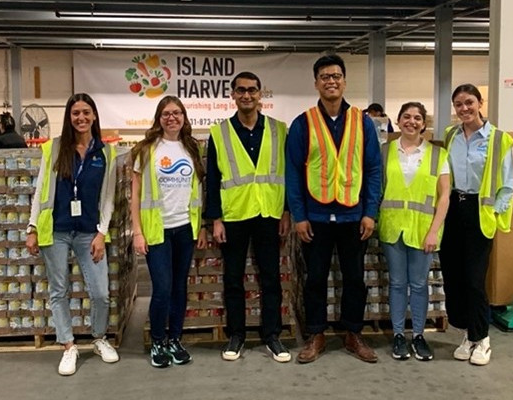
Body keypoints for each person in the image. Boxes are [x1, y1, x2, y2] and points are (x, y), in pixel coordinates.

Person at [286, 54, 382, 364]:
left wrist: (370, 212)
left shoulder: (362, 121)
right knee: (315, 278)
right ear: (316, 83)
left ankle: (353, 333)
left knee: (354, 278)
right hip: (315, 217)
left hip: (354, 216)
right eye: (325, 76)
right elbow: (293, 173)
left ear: (344, 81)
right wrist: (299, 216)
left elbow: (373, 170)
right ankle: (316, 334)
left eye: (336, 76)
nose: (331, 81)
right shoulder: (303, 123)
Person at [26, 93, 119, 376]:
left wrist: (102, 232)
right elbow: (41, 190)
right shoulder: (53, 149)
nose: (81, 118)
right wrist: (31, 227)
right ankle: (68, 346)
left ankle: (99, 338)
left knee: (101, 293)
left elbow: (108, 198)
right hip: (55, 230)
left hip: (89, 232)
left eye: (86, 112)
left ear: (94, 116)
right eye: (76, 113)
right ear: (69, 117)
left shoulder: (106, 152)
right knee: (59, 291)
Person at [205, 71, 291, 363]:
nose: (246, 95)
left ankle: (272, 336)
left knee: (270, 279)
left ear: (260, 94)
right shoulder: (219, 133)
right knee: (233, 278)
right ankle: (236, 335)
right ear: (233, 94)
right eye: (241, 90)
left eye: (252, 90)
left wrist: (287, 211)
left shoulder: (280, 130)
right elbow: (213, 179)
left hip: (269, 213)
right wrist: (215, 219)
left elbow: (287, 174)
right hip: (234, 215)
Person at [440, 84, 513, 366]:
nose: (464, 109)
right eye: (458, 104)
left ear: (480, 102)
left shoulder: (498, 139)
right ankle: (468, 335)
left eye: (469, 103)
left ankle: (482, 338)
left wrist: (495, 213)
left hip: (479, 213)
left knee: (474, 279)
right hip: (453, 209)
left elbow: (507, 186)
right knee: (454, 276)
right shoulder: (450, 135)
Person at [130, 95, 207, 368]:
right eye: (166, 113)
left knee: (179, 288)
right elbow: (136, 194)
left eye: (176, 113)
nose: (171, 117)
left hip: (185, 229)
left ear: (184, 117)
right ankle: (158, 341)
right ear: (158, 118)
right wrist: (137, 232)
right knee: (162, 288)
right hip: (157, 230)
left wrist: (202, 228)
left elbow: (198, 190)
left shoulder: (192, 148)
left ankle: (175, 339)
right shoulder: (146, 149)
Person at [378, 102, 450, 361]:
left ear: (424, 123)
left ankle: (418, 336)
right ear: (397, 122)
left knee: (419, 285)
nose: (412, 121)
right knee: (397, 283)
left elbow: (444, 197)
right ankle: (399, 335)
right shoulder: (384, 152)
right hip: (392, 227)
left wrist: (434, 231)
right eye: (406, 117)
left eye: (417, 117)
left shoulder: (437, 155)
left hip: (423, 231)